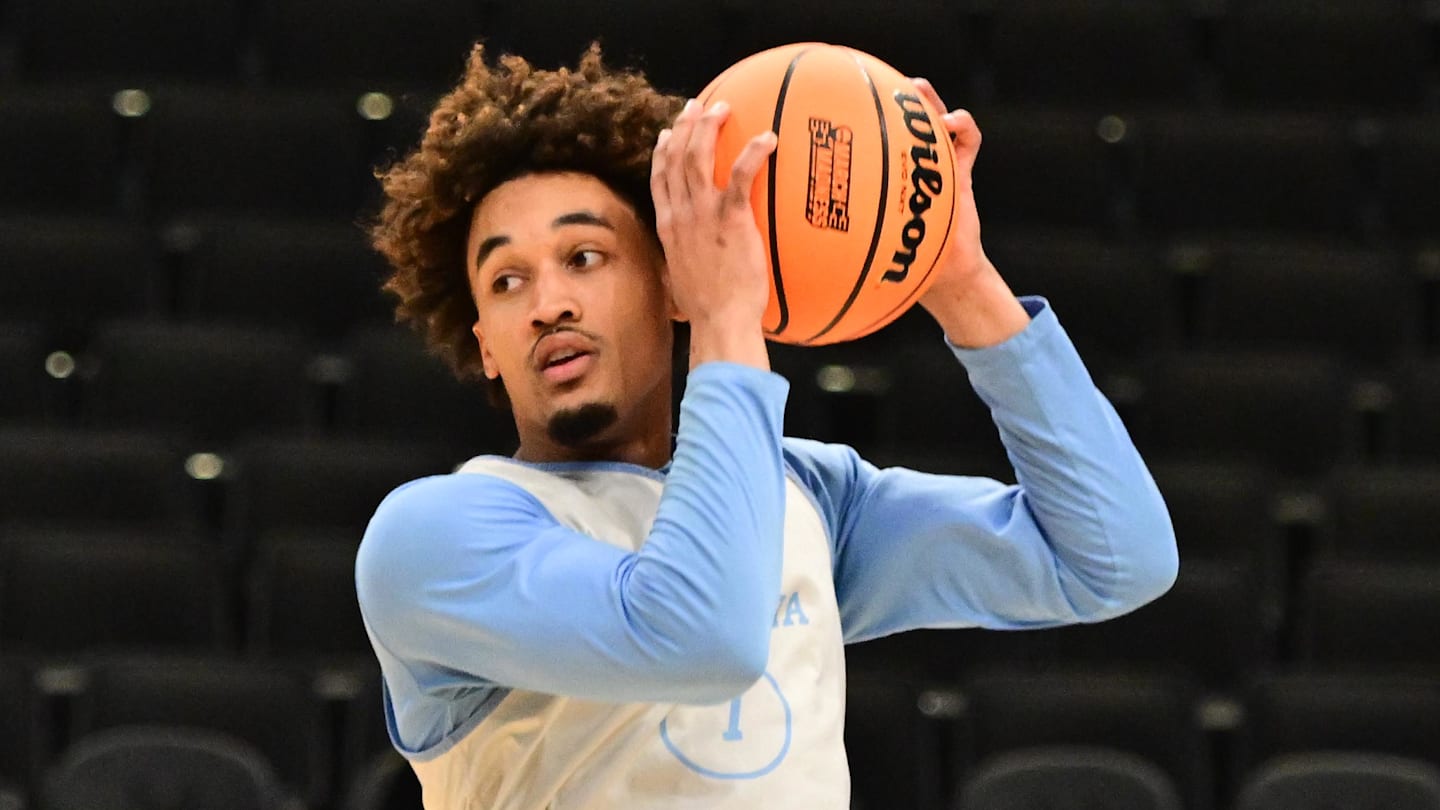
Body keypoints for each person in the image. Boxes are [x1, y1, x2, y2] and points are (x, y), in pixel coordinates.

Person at [355, 42, 1178, 810]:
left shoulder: (806, 498)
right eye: (505, 281)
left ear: (671, 283)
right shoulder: (432, 538)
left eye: (584, 258)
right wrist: (727, 320)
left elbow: (1113, 560)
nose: (548, 305)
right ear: (484, 348)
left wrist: (958, 280)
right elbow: (700, 639)